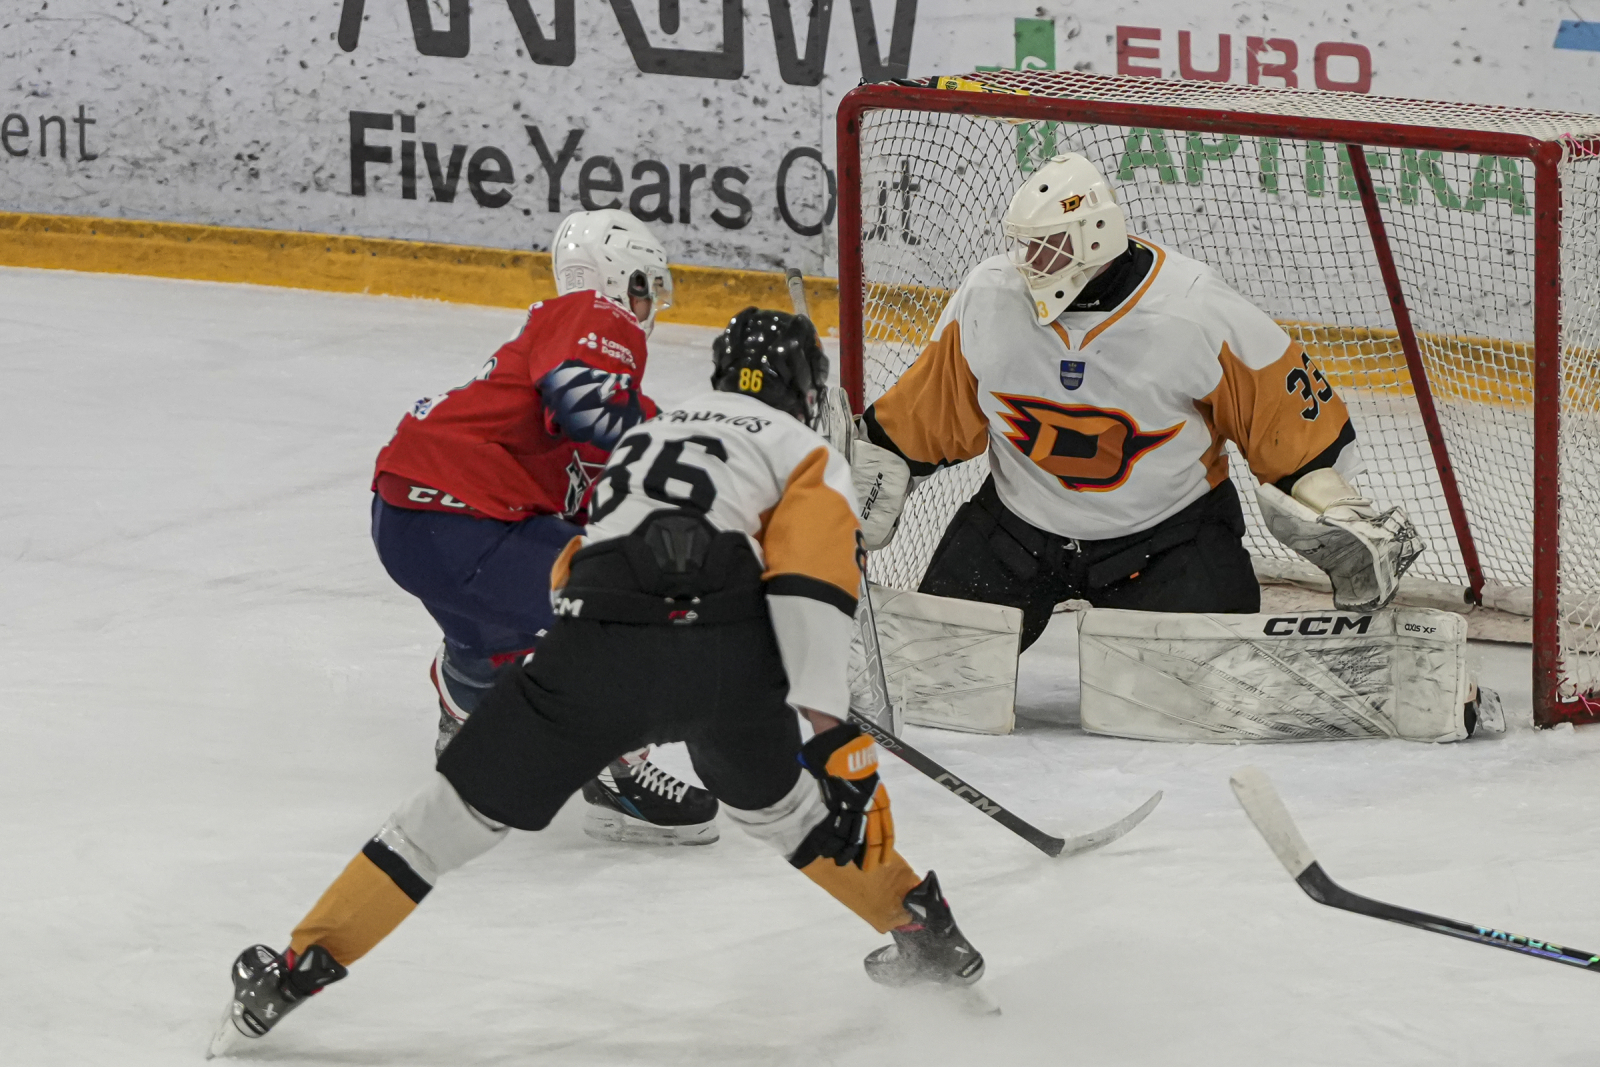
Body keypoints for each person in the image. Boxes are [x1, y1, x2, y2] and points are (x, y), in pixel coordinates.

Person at [207, 309, 986, 1057]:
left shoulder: (646, 436)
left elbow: (571, 565)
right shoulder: (803, 450)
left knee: (437, 824)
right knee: (792, 814)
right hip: (727, 660)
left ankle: (293, 972)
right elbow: (811, 584)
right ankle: (926, 935)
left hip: (598, 646)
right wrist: (834, 739)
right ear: (807, 391)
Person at [850, 152, 1423, 649]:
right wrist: (871, 473)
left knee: (1203, 691)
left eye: (1048, 248)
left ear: (1095, 238)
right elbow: (925, 415)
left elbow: (1292, 427)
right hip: (1016, 533)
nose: (1030, 263)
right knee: (930, 669)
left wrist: (1332, 504)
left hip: (1166, 542)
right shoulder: (988, 297)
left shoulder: (1194, 310)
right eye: (1025, 247)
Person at [370, 208, 718, 845]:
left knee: (512, 621)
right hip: (462, 522)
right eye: (645, 288)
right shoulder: (591, 312)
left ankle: (467, 703)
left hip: (410, 523)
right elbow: (585, 402)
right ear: (619, 279)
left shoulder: (569, 369)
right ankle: (616, 774)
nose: (647, 308)